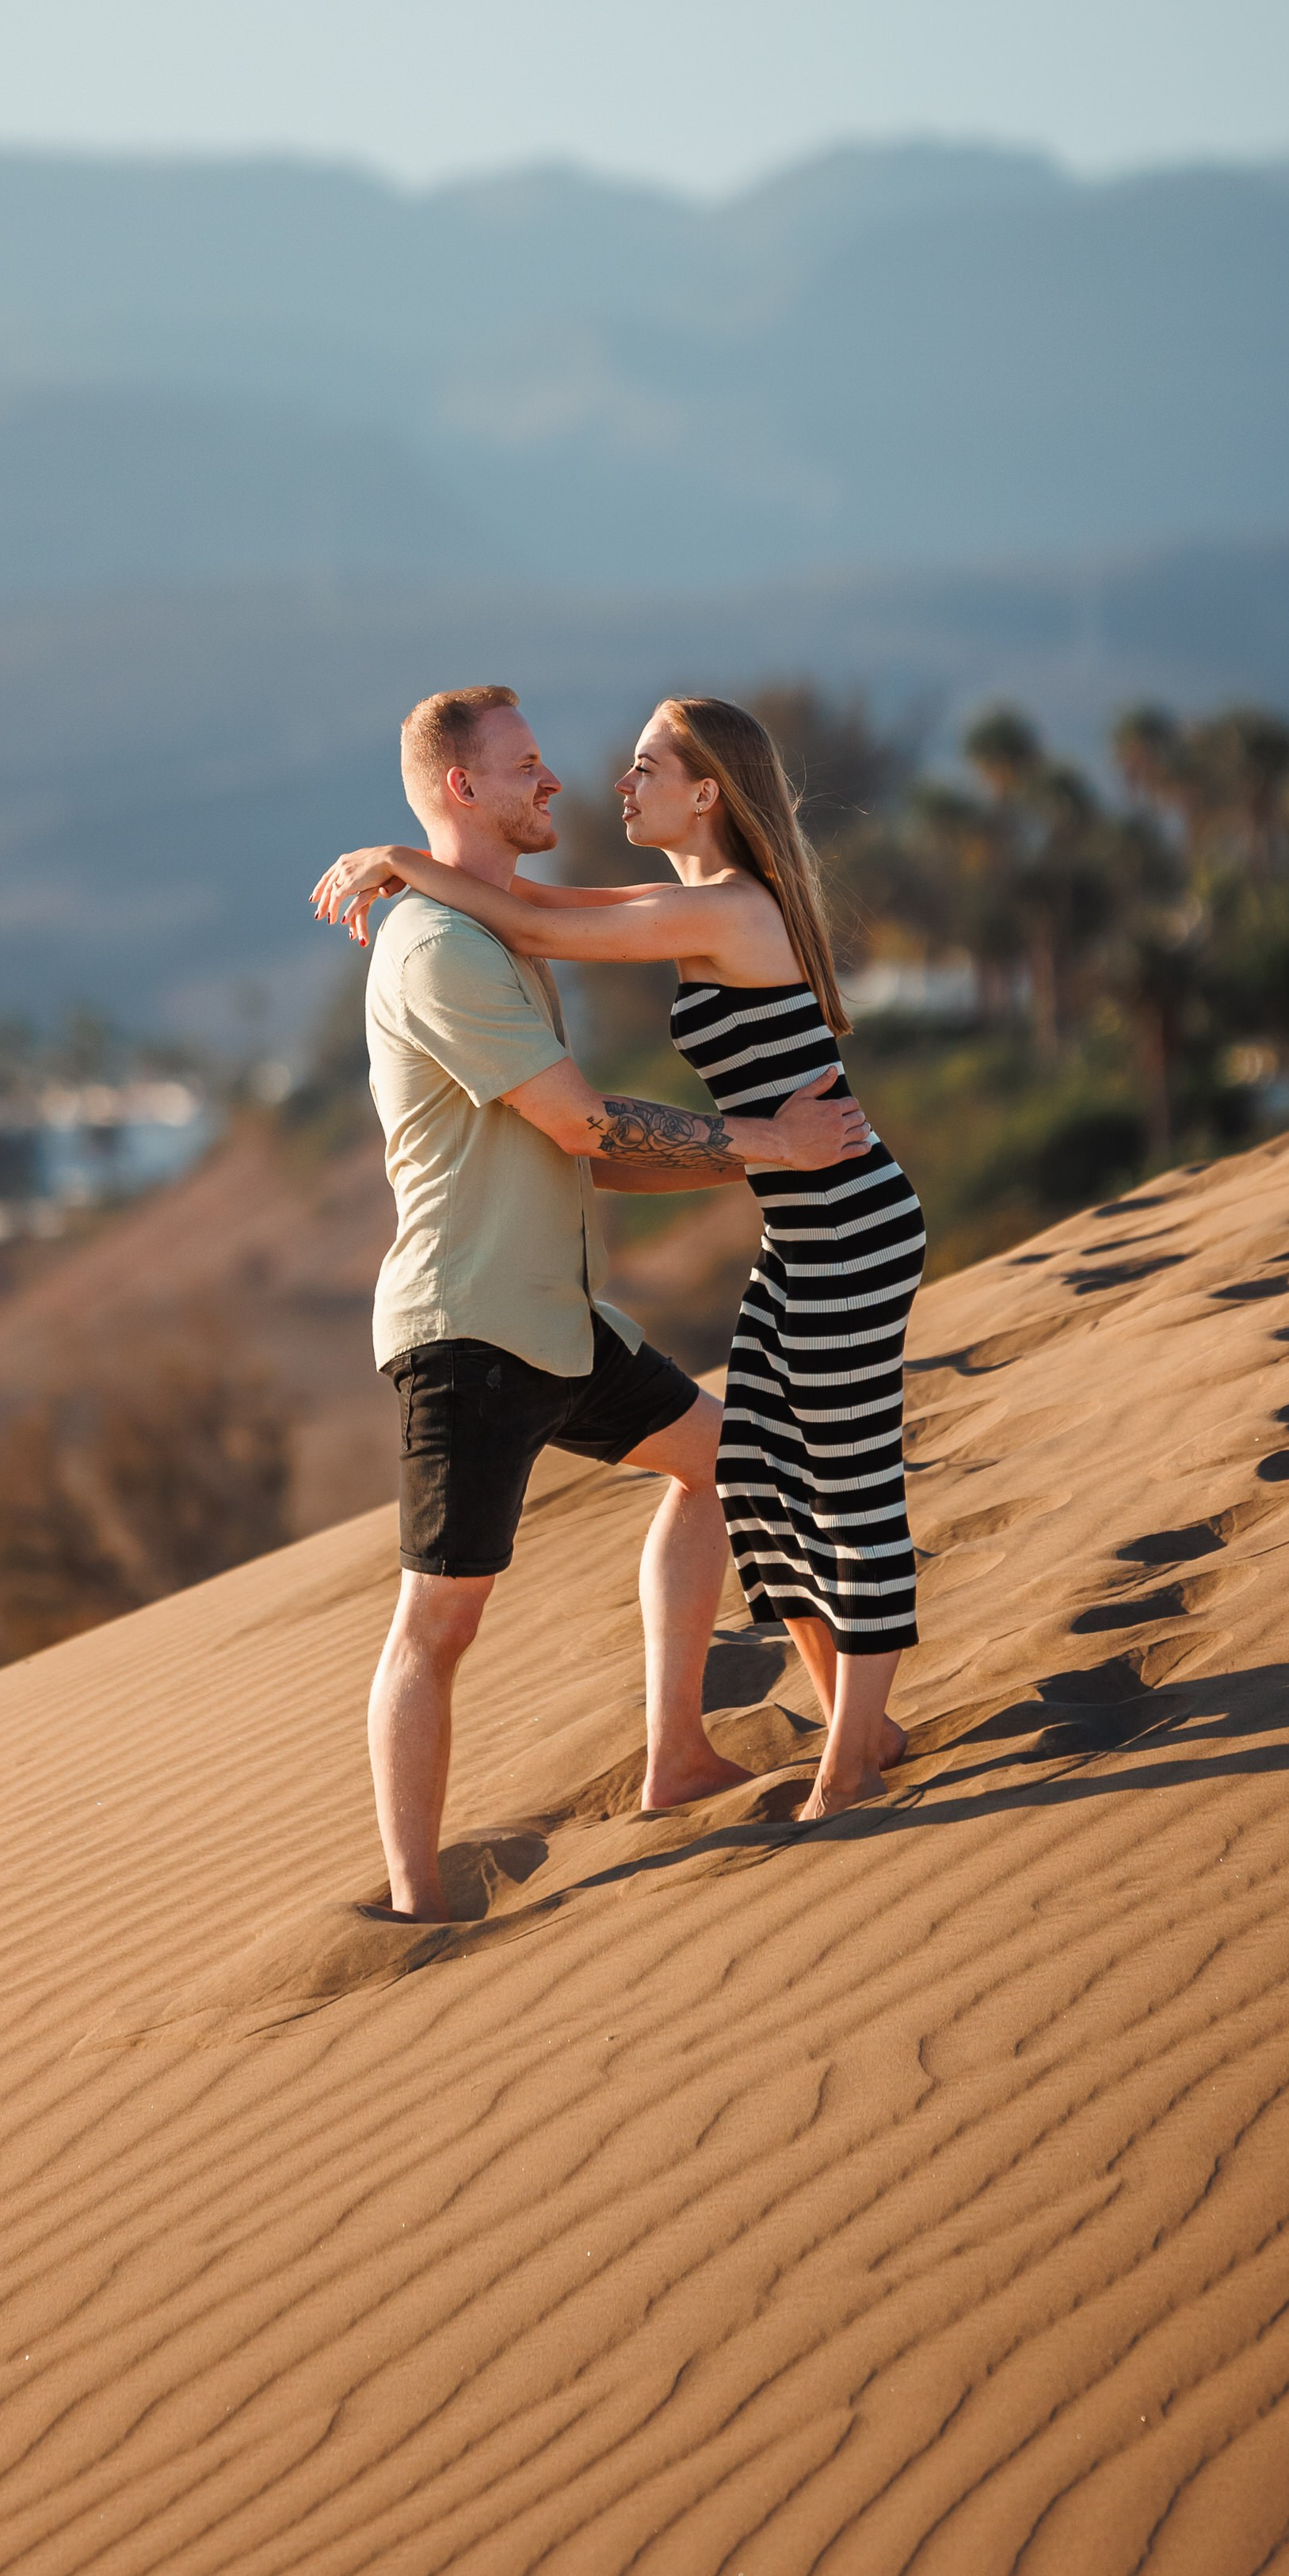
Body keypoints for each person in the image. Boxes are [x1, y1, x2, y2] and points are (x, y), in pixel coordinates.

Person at [311, 684, 878, 1920]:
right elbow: (582, 1120)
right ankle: (416, 1901)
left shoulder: (495, 932)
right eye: (525, 766)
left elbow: (600, 1151)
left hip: (557, 1320)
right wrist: (774, 1143)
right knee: (437, 1624)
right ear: (465, 787)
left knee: (722, 1464)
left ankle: (679, 1754)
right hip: (470, 1334)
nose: (554, 782)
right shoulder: (441, 947)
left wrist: (752, 1145)